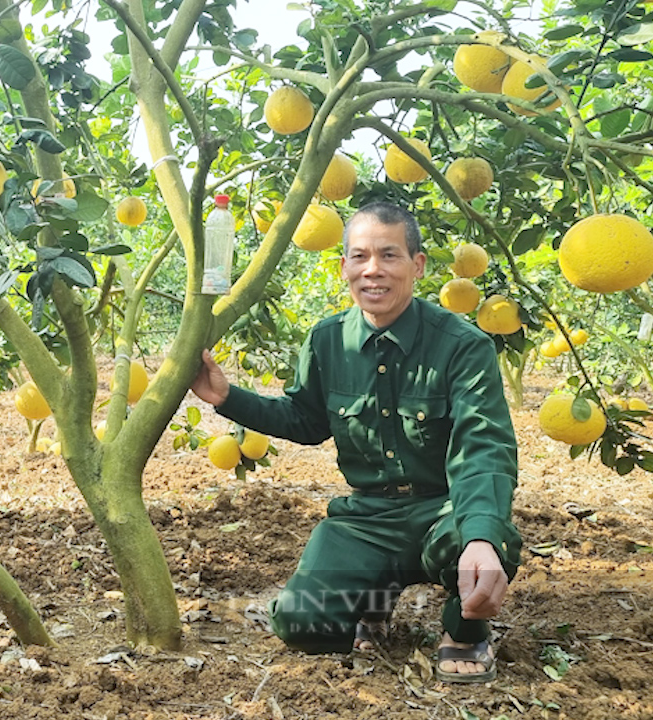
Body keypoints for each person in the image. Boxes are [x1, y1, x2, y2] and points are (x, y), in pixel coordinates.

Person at [191, 202, 521, 683]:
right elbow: (306, 420)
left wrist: (481, 536)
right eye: (360, 256)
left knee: (482, 539)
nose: (373, 270)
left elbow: (484, 445)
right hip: (367, 521)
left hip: (443, 511)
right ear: (344, 264)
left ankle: (465, 631)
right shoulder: (327, 340)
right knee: (302, 622)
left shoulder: (462, 345)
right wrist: (228, 398)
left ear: (418, 264)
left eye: (389, 255)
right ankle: (373, 593)